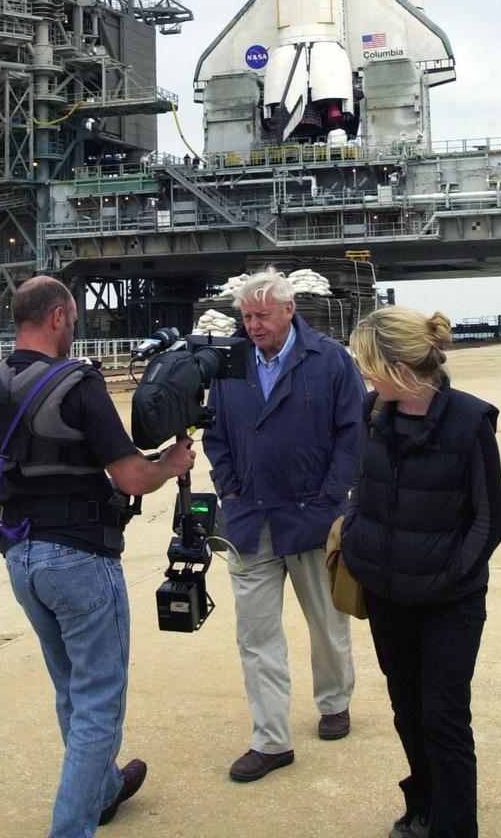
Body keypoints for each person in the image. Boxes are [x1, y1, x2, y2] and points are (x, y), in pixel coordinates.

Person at [0, 275, 195, 838]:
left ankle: (103, 791)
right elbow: (129, 476)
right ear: (56, 318)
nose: (74, 329)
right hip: (79, 557)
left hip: (20, 555)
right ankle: (72, 828)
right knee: (99, 701)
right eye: (72, 320)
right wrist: (171, 464)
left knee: (71, 688)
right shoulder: (78, 381)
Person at [341, 306, 501, 838]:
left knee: (444, 718)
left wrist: (450, 577)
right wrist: (357, 544)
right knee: (407, 710)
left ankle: (455, 827)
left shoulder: (469, 420)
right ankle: (424, 807)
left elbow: (490, 520)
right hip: (388, 594)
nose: (363, 373)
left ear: (401, 368)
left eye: (369, 363)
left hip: (448, 602)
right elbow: (362, 489)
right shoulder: (374, 412)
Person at [202, 267, 364, 782]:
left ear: (289, 311)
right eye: (247, 317)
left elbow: (352, 434)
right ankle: (271, 739)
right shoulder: (230, 364)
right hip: (250, 519)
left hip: (312, 518)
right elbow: (216, 434)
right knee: (255, 635)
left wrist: (329, 497)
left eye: (263, 316)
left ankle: (334, 701)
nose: (254, 325)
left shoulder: (329, 360)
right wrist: (227, 486)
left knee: (326, 620)